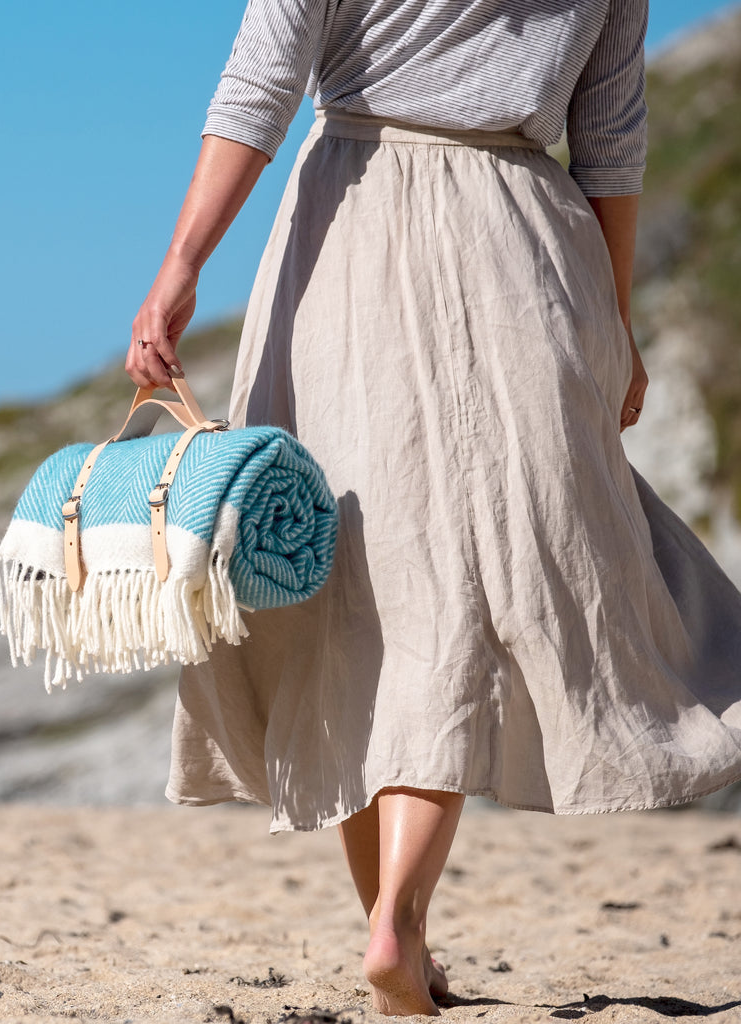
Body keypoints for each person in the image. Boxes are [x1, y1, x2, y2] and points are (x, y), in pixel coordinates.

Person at [124, 1, 741, 1016]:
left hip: (344, 237)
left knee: (347, 578)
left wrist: (182, 262)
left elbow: (261, 82)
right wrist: (616, 318)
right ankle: (399, 927)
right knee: (465, 583)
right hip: (524, 248)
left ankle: (393, 924)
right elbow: (610, 139)